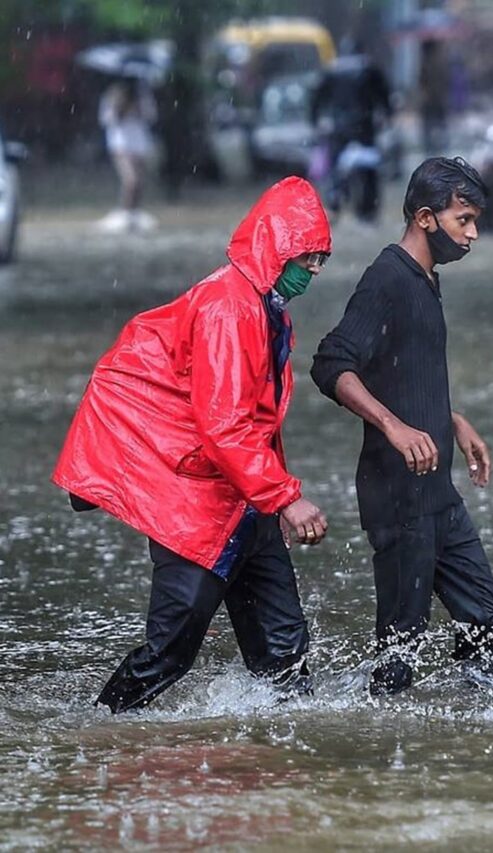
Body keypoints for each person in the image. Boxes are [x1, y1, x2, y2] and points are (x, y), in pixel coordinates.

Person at [52, 176, 332, 713]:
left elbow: (258, 421)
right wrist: (286, 498)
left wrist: (274, 500)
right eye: (309, 257)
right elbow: (225, 426)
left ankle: (284, 766)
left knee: (285, 657)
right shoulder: (231, 309)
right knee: (170, 654)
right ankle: (96, 729)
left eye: (321, 258)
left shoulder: (263, 308)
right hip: (199, 508)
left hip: (246, 502)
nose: (316, 270)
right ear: (277, 250)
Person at [311, 157, 493, 696]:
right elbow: (331, 364)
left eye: (475, 221)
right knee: (401, 646)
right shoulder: (387, 278)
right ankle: (383, 754)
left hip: (436, 490)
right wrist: (394, 428)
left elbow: (403, 369)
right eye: (463, 220)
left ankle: (469, 720)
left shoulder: (426, 279)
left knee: (486, 613)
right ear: (425, 217)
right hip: (397, 495)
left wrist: (452, 418)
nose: (473, 234)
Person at [309, 37, 391, 220]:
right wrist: (387, 115)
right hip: (364, 126)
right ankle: (368, 209)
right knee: (369, 167)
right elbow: (383, 96)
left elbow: (316, 99)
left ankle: (335, 202)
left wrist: (315, 121)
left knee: (336, 168)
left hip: (339, 127)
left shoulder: (332, 70)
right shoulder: (369, 69)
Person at [98, 76, 157, 231]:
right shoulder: (111, 95)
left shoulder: (143, 95)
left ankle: (134, 213)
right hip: (120, 144)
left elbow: (151, 115)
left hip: (139, 144)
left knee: (139, 183)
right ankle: (124, 212)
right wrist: (119, 108)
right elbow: (106, 119)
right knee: (131, 180)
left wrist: (137, 108)